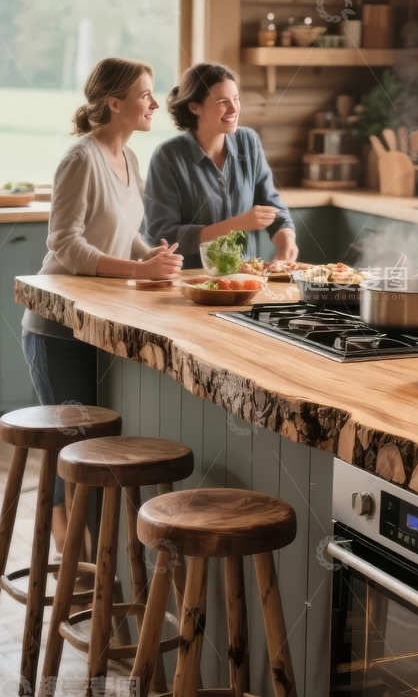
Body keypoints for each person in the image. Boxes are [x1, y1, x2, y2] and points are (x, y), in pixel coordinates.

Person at [21, 58, 183, 550]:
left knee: (90, 447)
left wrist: (146, 253)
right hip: (57, 328)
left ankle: (95, 562)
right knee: (78, 449)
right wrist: (139, 272)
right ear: (115, 103)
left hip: (99, 323)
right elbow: (65, 244)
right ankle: (82, 562)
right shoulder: (80, 159)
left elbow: (121, 231)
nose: (155, 104)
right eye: (146, 95)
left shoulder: (129, 159)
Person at [144, 62, 298, 269]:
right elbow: (164, 235)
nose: (234, 108)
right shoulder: (168, 156)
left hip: (245, 279)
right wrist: (238, 224)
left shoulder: (248, 141)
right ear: (194, 107)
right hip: (188, 283)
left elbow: (271, 203)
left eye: (236, 99)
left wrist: (286, 238)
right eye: (223, 102)